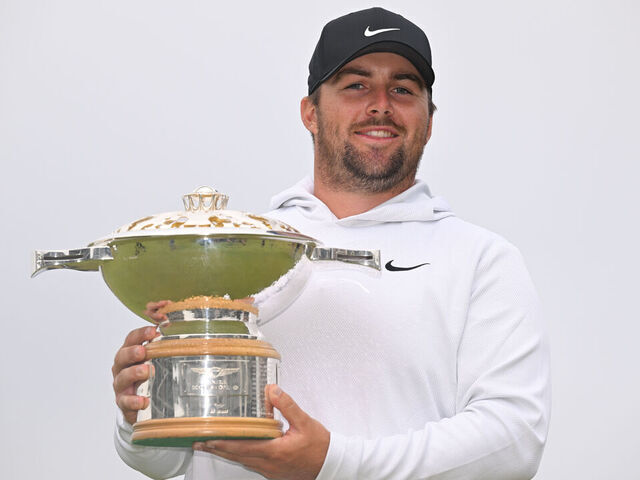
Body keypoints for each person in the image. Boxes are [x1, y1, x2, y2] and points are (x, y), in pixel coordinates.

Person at [112, 7, 551, 479]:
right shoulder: (238, 249)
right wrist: (137, 415)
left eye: (403, 89)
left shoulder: (482, 259)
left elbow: (513, 440)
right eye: (356, 85)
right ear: (310, 113)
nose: (380, 104)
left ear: (428, 119)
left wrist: (333, 464)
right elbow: (165, 458)